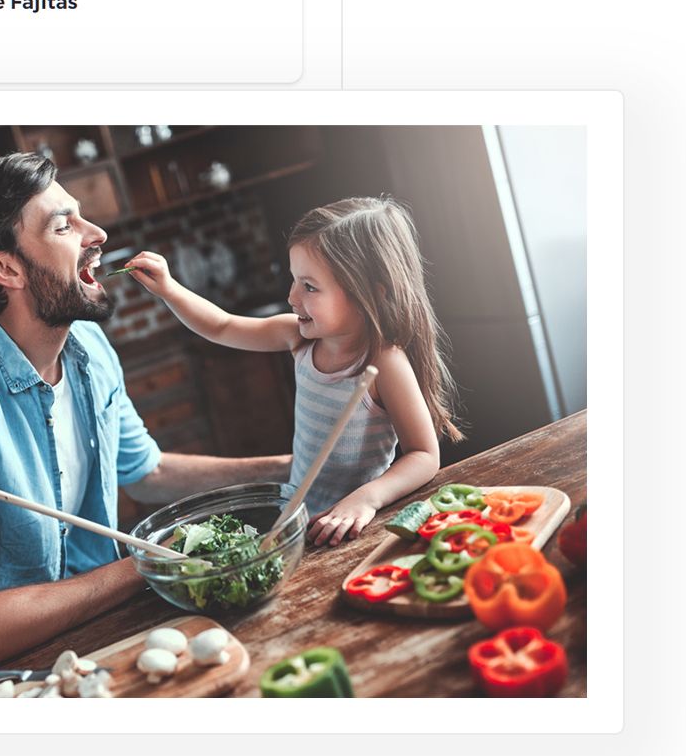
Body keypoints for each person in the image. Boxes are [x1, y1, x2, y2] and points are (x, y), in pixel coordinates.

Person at [0, 153, 290, 684]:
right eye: (64, 225)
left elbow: (145, 471)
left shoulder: (87, 347)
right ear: (6, 268)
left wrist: (296, 468)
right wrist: (144, 564)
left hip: (92, 639)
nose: (96, 232)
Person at [123, 196, 463, 548]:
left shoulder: (383, 362)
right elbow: (222, 327)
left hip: (352, 529)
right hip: (297, 521)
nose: (292, 297)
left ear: (370, 296)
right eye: (294, 280)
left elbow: (424, 456)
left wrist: (367, 499)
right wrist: (169, 289)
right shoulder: (298, 338)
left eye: (309, 286)